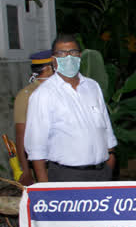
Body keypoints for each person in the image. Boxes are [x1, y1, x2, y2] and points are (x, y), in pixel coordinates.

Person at [24, 34, 117, 182]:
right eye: (62, 53)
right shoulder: (44, 94)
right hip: (67, 175)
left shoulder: (93, 86)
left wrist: (110, 160)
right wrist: (44, 188)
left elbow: (106, 128)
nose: (68, 57)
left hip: (101, 173)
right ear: (54, 60)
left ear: (79, 56)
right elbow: (36, 146)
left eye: (73, 52)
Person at [13, 50, 55, 186]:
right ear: (49, 69)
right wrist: (25, 170)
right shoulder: (26, 95)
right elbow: (21, 135)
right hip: (44, 164)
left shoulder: (61, 90)